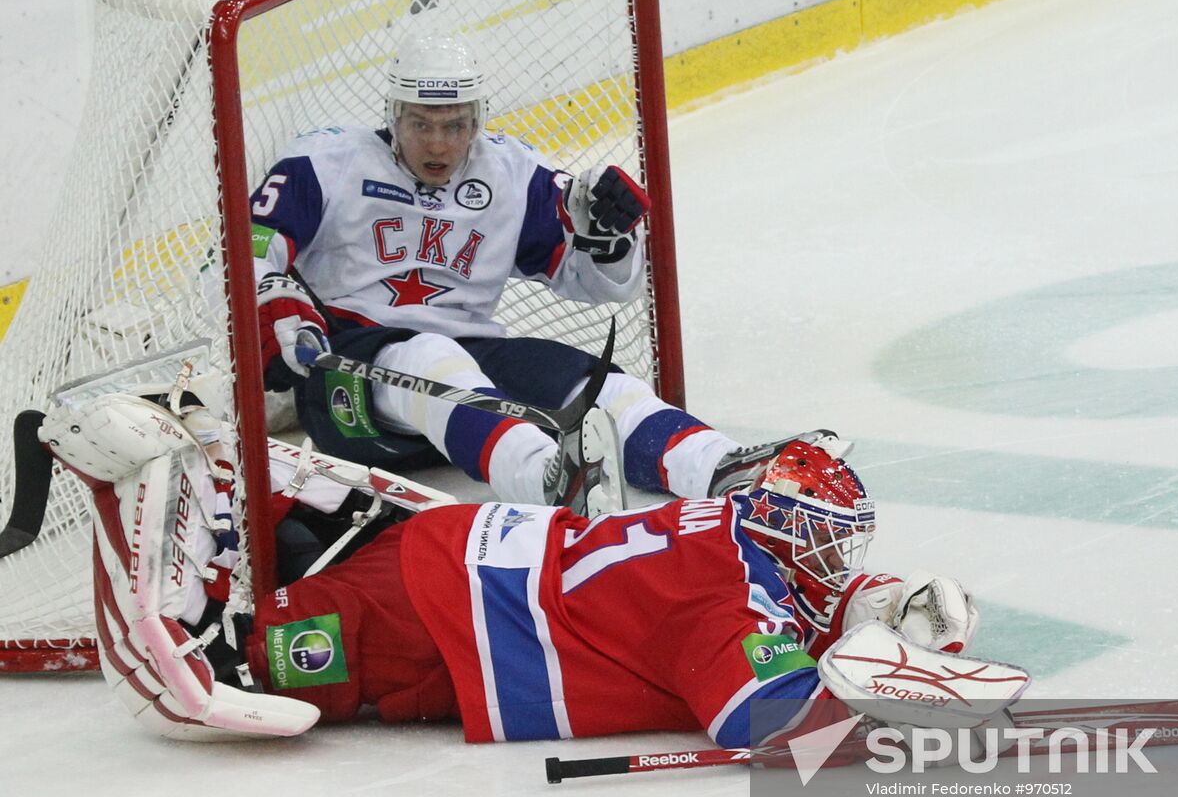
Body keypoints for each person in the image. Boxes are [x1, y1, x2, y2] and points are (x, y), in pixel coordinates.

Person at [41, 387, 1005, 749]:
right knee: (235, 670)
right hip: (433, 633)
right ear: (787, 529)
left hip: (451, 541)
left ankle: (208, 455)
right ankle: (119, 477)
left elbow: (776, 611)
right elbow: (759, 716)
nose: (844, 563)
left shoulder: (729, 527)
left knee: (271, 494)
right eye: (835, 545)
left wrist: (869, 611)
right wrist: (875, 668)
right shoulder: (725, 611)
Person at [253, 30, 828, 513]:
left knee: (590, 382)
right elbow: (242, 252)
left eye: (454, 126)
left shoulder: (509, 174)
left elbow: (596, 283)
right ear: (393, 114)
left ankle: (726, 471)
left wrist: (605, 241)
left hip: (472, 364)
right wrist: (275, 300)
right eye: (421, 124)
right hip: (352, 376)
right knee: (430, 354)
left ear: (477, 118)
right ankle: (546, 479)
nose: (438, 143)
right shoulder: (326, 162)